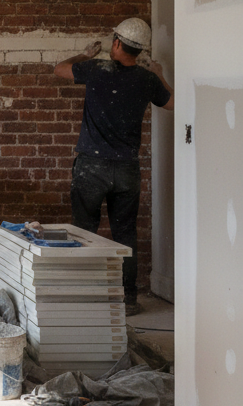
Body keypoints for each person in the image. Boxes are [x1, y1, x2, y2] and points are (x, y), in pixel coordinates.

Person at [53, 17, 174, 316]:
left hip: (91, 167)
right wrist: (159, 74)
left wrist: (85, 54)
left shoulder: (96, 69)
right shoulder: (147, 80)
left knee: (83, 231)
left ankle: (85, 295)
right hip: (126, 169)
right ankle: (128, 299)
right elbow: (172, 103)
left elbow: (58, 69)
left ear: (117, 43)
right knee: (125, 234)